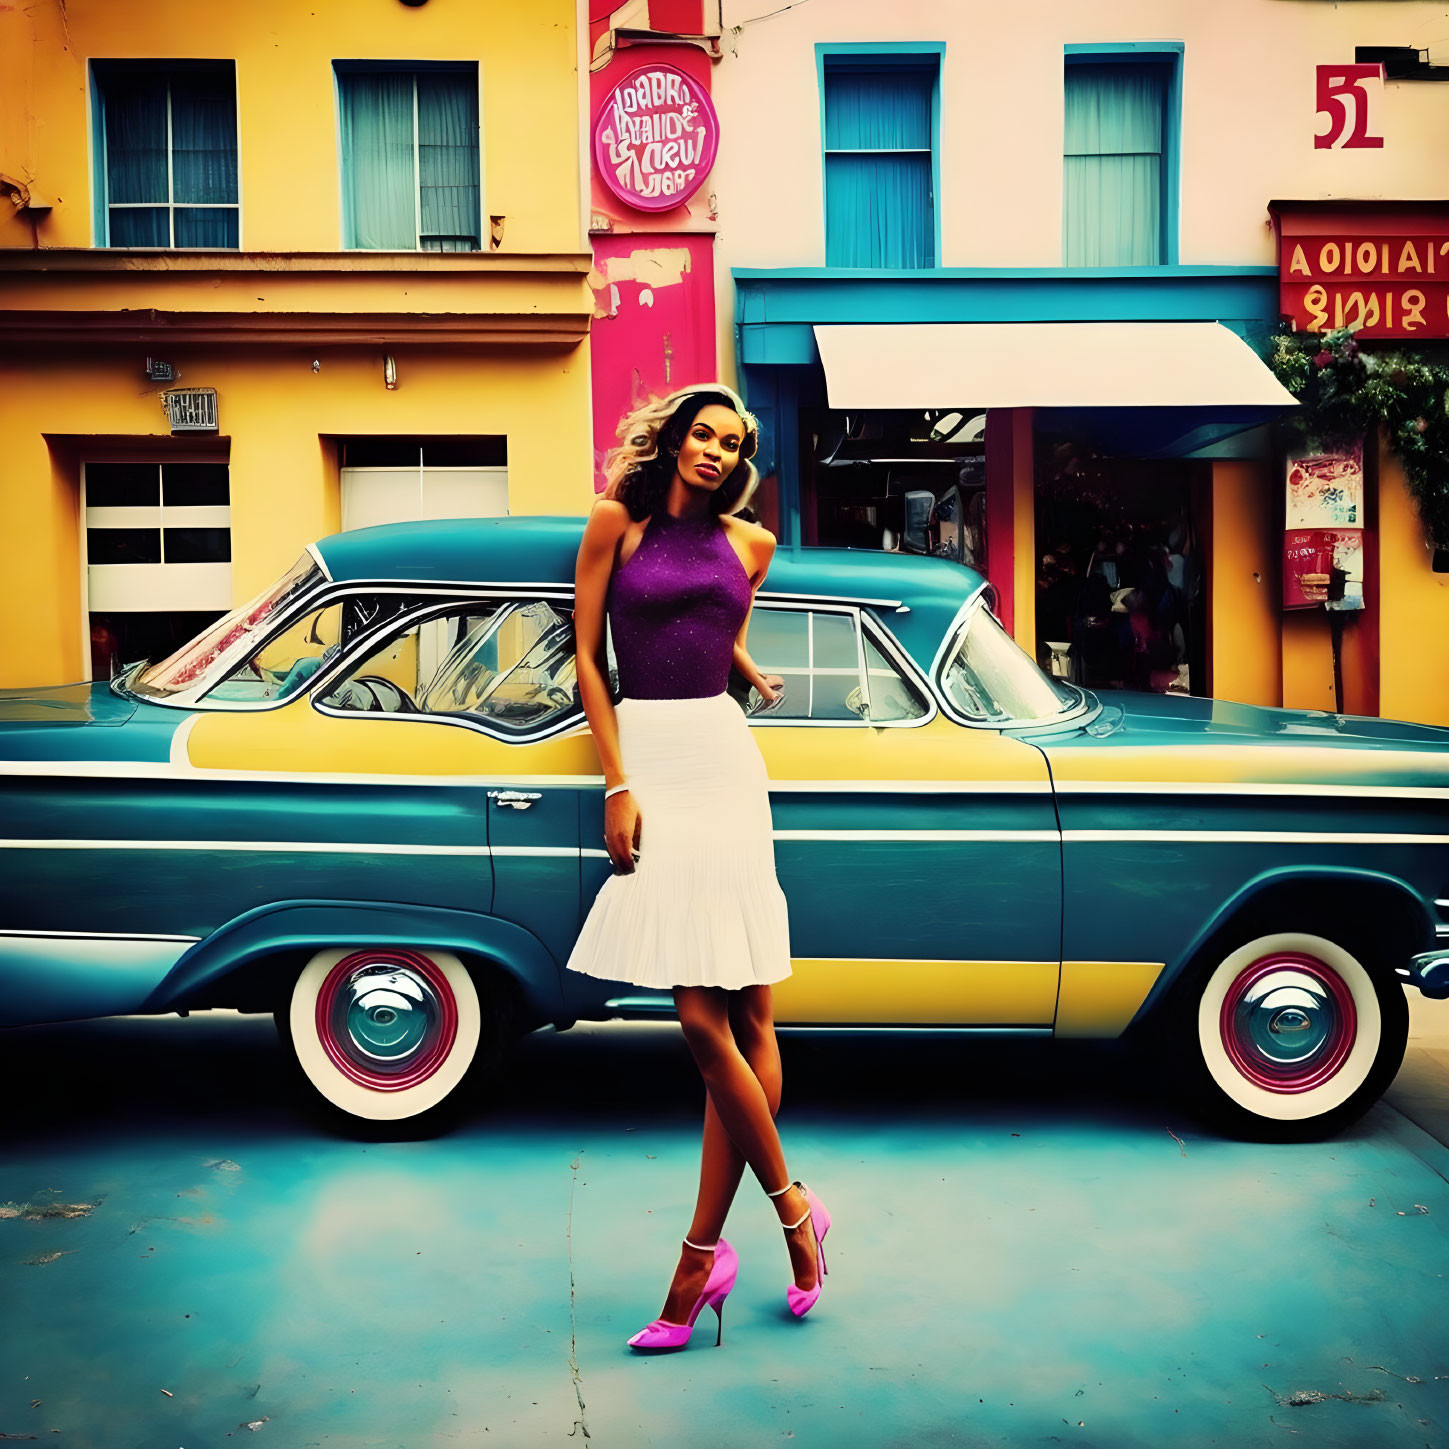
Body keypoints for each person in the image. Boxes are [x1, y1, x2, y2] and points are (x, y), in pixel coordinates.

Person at [567, 385, 831, 1353]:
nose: (716, 450)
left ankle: (702, 1256)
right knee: (698, 1015)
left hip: (726, 766)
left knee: (749, 1015)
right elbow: (590, 656)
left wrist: (746, 668)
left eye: (733, 441)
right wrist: (615, 783)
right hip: (654, 764)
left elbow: (715, 620)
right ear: (673, 437)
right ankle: (796, 1216)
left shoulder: (750, 544)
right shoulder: (616, 525)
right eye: (703, 434)